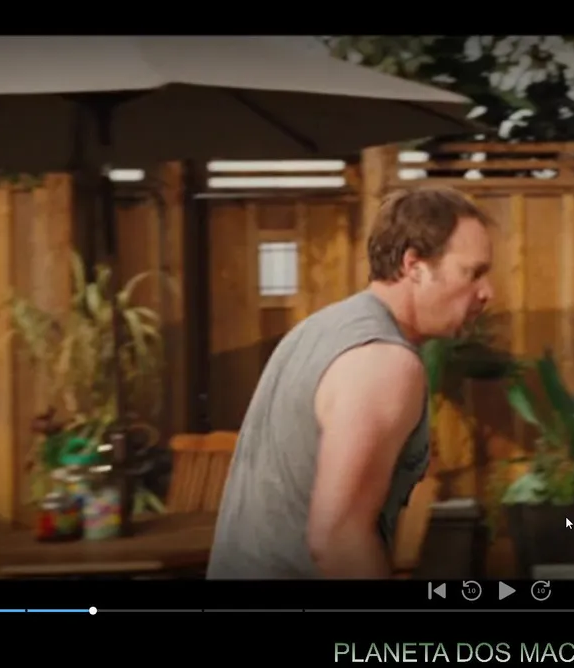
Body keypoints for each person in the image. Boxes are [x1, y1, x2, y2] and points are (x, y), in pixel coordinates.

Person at [206, 185, 494, 579]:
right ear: (414, 266)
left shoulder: (320, 330)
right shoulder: (384, 361)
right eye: (473, 272)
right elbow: (339, 540)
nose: (487, 292)